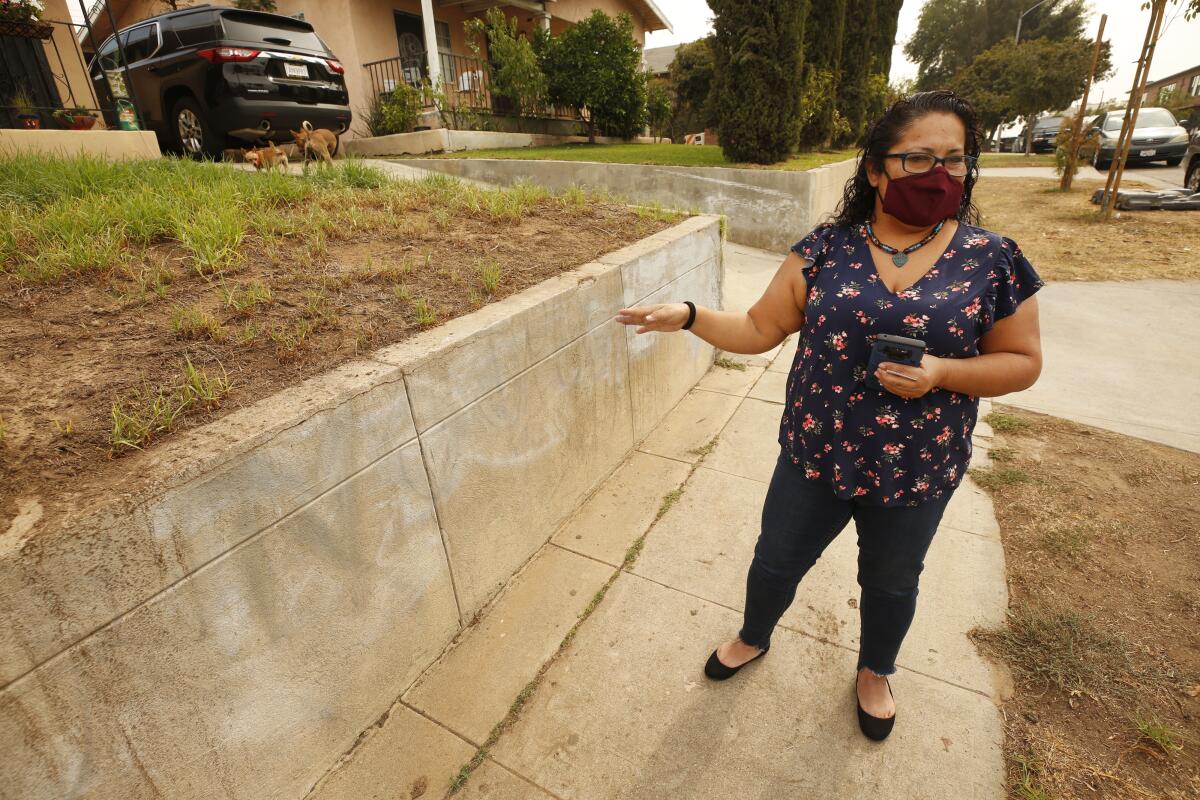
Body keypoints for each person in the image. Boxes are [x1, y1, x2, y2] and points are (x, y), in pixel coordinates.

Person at [614, 90, 1044, 741]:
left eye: (954, 161)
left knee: (893, 582)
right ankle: (753, 635)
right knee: (777, 560)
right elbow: (761, 328)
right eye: (918, 159)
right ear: (875, 169)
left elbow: (1022, 361)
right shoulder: (824, 248)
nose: (938, 176)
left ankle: (875, 672)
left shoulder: (993, 258)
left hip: (917, 468)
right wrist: (692, 316)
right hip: (816, 454)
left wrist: (942, 374)